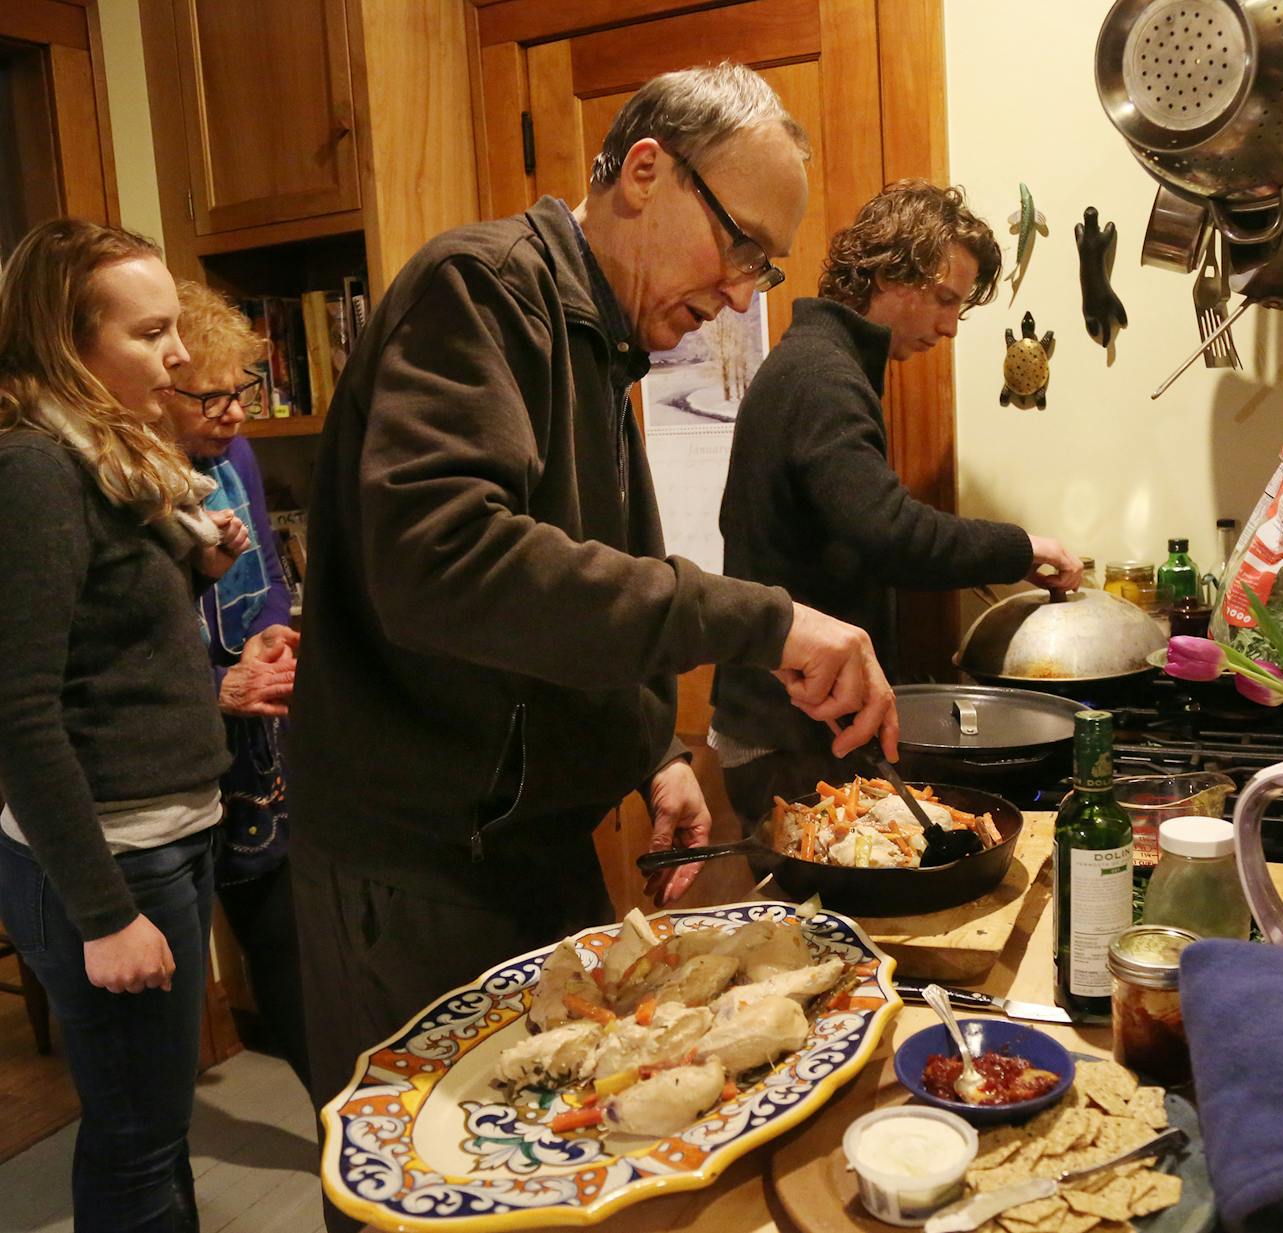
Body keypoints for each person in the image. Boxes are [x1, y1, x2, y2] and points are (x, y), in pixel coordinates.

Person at [288, 63, 898, 1200]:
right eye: (741, 246)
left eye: (763, 266)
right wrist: (764, 622)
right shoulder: (480, 288)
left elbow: (565, 592)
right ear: (647, 172)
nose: (738, 292)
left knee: (566, 1172)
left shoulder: (595, 337)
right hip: (415, 866)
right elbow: (444, 561)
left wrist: (650, 748)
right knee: (437, 1200)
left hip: (521, 852)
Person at [0, 218, 250, 1233]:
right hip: (111, 864)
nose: (176, 354)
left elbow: (99, 641)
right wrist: (105, 914)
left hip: (161, 837)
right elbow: (17, 716)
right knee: (133, 1145)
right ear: (67, 346)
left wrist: (184, 565)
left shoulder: (100, 454)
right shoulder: (31, 472)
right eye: (148, 333)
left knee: (155, 1133)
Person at [710, 179, 1083, 827]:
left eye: (958, 309)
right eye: (943, 300)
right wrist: (1021, 547)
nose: (947, 326)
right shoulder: (822, 376)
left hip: (796, 721)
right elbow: (887, 530)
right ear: (889, 272)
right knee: (822, 923)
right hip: (784, 736)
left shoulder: (824, 364)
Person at [162, 279, 308, 1091]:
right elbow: (134, 646)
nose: (234, 413)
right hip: (174, 761)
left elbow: (271, 579)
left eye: (241, 391)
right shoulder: (137, 482)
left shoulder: (237, 458)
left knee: (285, 949)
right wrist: (224, 682)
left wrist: (274, 633)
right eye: (209, 397)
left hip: (258, 760)